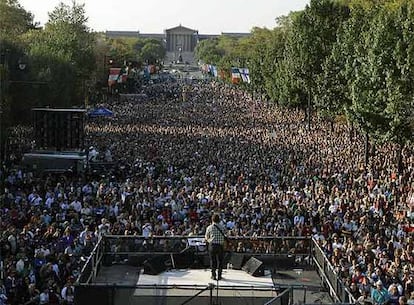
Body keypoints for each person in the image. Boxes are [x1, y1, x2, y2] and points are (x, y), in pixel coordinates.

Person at [205, 213, 227, 281]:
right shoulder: (222, 227)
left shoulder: (209, 227)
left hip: (212, 245)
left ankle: (213, 275)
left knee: (213, 261)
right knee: (220, 261)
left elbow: (206, 237)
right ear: (219, 220)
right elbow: (226, 235)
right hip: (220, 246)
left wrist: (209, 240)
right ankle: (219, 276)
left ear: (212, 219)